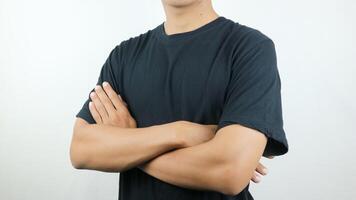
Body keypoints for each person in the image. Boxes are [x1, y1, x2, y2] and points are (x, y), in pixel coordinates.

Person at [69, 0, 289, 199]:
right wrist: (181, 132)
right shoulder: (124, 56)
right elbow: (81, 149)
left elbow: (230, 170)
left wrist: (127, 143)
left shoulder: (250, 49)